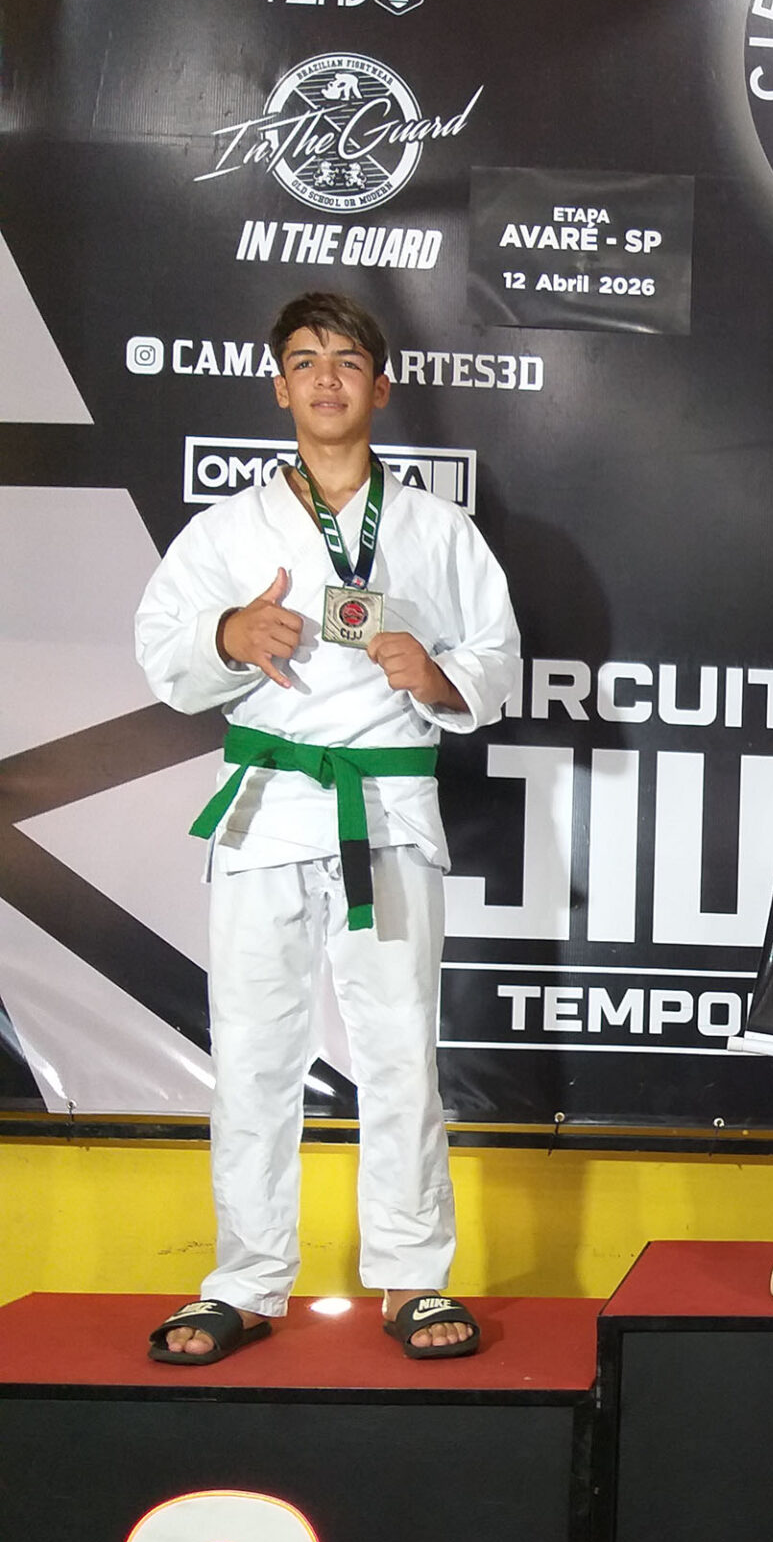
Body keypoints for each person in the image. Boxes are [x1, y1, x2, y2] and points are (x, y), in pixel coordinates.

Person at [134, 290, 519, 1363]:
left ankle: (412, 1278)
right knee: (254, 1054)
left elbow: (499, 657)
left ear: (379, 386)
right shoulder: (229, 529)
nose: (326, 378)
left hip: (386, 815)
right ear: (280, 387)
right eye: (304, 361)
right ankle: (245, 1281)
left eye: (346, 360)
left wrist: (436, 674)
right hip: (265, 812)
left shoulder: (438, 530)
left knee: (399, 1051)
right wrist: (227, 630)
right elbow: (161, 644)